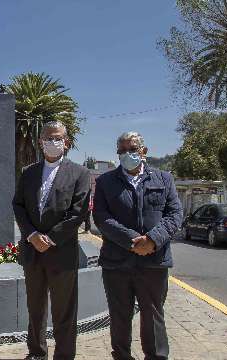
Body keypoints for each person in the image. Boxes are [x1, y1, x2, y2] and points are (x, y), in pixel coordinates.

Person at [93, 131, 183, 360]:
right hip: (117, 263)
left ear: (144, 151)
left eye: (132, 149)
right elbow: (102, 218)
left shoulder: (164, 178)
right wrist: (133, 241)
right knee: (119, 316)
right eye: (122, 151)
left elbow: (174, 214)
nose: (127, 154)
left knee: (153, 316)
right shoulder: (105, 182)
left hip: (154, 261)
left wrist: (152, 240)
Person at [12, 121, 91, 360]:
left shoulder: (80, 173)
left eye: (57, 138)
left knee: (64, 311)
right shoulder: (29, 172)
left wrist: (50, 238)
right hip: (33, 252)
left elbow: (78, 212)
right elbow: (18, 205)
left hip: (62, 253)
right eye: (47, 137)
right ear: (40, 142)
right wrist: (32, 235)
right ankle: (36, 352)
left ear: (66, 142)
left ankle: (64, 355)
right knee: (35, 309)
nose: (52, 142)